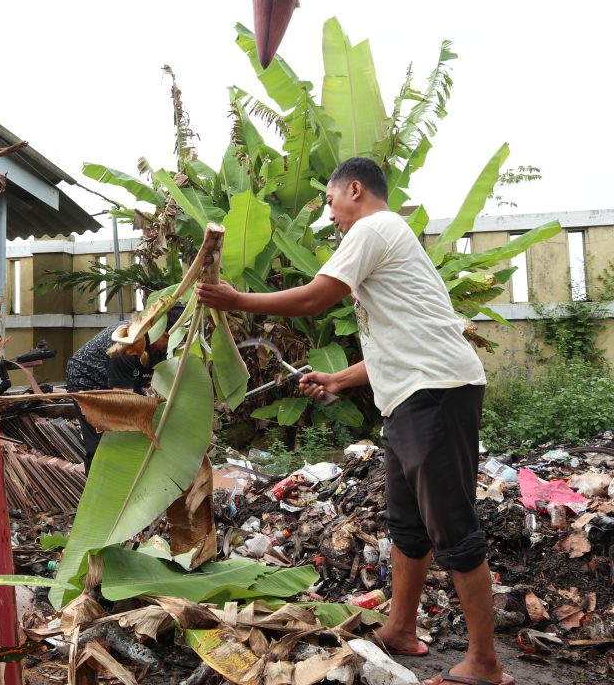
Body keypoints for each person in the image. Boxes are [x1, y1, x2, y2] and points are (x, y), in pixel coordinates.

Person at [196, 157, 511, 685]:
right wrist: (340, 379)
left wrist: (237, 300)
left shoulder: (374, 226)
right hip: (414, 395)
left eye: (330, 201)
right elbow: (400, 340)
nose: (331, 214)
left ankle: (484, 663)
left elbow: (318, 298)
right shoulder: (387, 240)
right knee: (408, 527)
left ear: (356, 190)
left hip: (437, 393)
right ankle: (401, 628)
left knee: (453, 528)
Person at [65, 304, 184, 472]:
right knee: (103, 440)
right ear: (162, 333)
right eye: (176, 338)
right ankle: (99, 485)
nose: (179, 343)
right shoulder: (128, 343)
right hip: (87, 378)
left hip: (122, 378)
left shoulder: (161, 346)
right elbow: (122, 401)